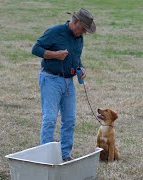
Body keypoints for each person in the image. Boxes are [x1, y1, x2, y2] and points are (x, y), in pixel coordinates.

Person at [31, 8, 96, 162]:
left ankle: (65, 154)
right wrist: (55, 55)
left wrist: (81, 68)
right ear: (75, 23)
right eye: (83, 29)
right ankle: (45, 156)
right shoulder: (55, 31)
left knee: (70, 120)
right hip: (51, 79)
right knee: (50, 119)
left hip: (68, 81)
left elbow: (76, 57)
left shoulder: (79, 38)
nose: (84, 33)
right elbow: (36, 49)